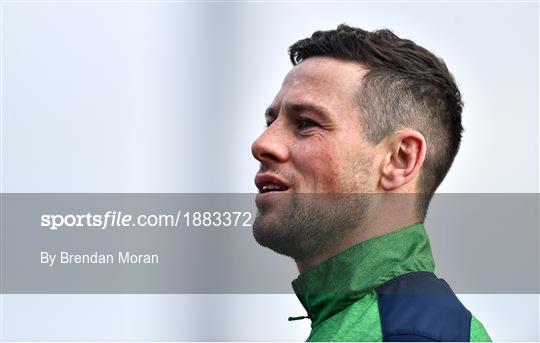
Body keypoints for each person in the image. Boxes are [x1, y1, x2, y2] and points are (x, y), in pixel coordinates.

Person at [251, 24, 491, 342]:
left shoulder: (409, 335)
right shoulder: (373, 325)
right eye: (271, 121)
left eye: (306, 123)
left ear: (400, 160)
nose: (262, 143)